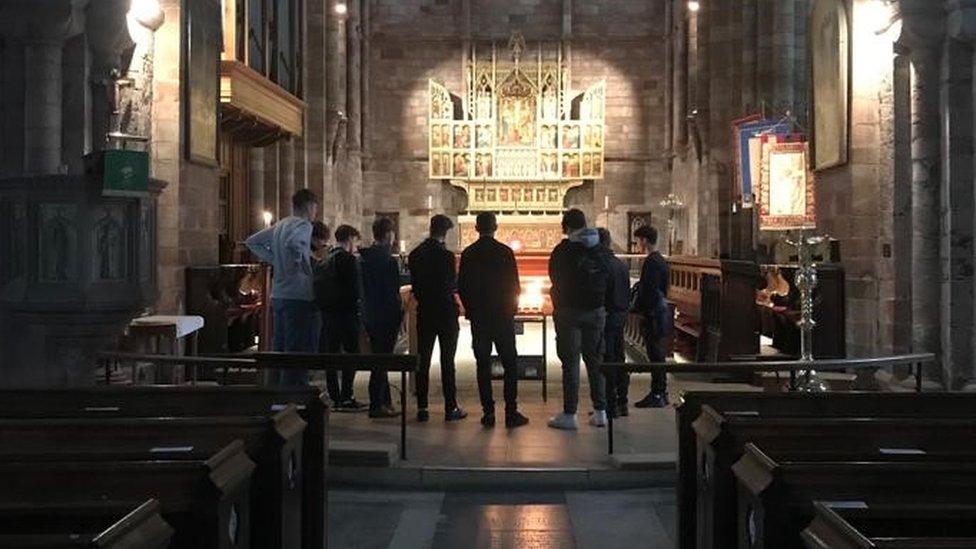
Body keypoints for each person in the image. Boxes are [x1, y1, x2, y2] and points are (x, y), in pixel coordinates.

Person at [458, 212, 530, 429]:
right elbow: (514, 285)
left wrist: (471, 310)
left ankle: (488, 413)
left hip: (480, 317)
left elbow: (462, 286)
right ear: (495, 227)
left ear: (477, 228)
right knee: (510, 363)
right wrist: (511, 310)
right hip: (502, 316)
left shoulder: (469, 253)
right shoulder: (505, 252)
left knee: (482, 364)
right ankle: (511, 412)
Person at [245, 189, 318, 386]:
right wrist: (300, 264)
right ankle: (291, 399)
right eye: (315, 208)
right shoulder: (304, 225)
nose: (315, 212)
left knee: (280, 347)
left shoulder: (281, 224)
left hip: (278, 295)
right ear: (309, 206)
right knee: (296, 351)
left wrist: (276, 260)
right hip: (298, 295)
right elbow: (293, 243)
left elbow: (252, 242)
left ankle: (276, 395)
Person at [546, 208, 609, 430]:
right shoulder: (600, 249)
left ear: (566, 227)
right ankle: (601, 412)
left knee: (570, 363)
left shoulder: (562, 250)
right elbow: (608, 275)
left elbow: (553, 276)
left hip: (568, 311)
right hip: (596, 310)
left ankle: (570, 414)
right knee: (595, 360)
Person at [407, 215, 467, 422]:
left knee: (423, 360)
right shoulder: (446, 257)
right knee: (447, 361)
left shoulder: (415, 254)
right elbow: (452, 284)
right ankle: (450, 407)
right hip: (445, 312)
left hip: (425, 311)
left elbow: (414, 283)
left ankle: (422, 408)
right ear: (446, 232)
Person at [317, 225, 365, 410]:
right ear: (351, 239)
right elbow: (354, 290)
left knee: (332, 355)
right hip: (346, 314)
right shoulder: (348, 260)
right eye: (355, 241)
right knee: (352, 355)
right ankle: (347, 396)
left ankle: (334, 395)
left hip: (328, 314)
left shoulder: (326, 258)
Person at [359, 217, 403, 419]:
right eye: (392, 233)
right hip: (386, 315)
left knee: (379, 358)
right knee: (381, 361)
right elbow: (394, 289)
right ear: (388, 235)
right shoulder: (387, 260)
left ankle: (385, 401)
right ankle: (376, 404)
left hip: (370, 313)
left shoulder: (363, 257)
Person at [631, 225, 672, 408]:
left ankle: (658, 393)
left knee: (656, 355)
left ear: (645, 240)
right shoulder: (659, 260)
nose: (637, 244)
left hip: (654, 313)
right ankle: (659, 392)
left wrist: (636, 308)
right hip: (658, 311)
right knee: (656, 355)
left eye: (638, 240)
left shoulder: (652, 262)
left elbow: (649, 290)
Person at [597, 228, 632, 418]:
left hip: (607, 316)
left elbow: (601, 293)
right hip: (620, 316)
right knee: (619, 359)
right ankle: (623, 401)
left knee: (607, 360)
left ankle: (610, 405)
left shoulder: (602, 265)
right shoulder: (620, 264)